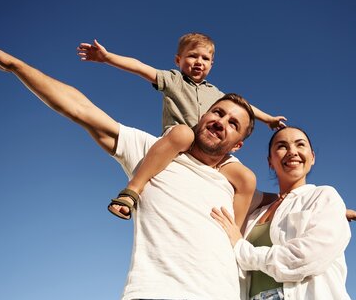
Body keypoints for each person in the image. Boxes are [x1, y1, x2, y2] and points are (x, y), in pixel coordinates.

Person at [0, 36, 256, 300]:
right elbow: (80, 108)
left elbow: (290, 205)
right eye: (218, 112)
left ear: (238, 145)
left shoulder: (236, 186)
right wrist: (16, 66)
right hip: (158, 293)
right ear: (204, 115)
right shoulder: (153, 153)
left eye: (234, 124)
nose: (221, 122)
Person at [77, 33, 286, 226]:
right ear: (178, 60)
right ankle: (133, 189)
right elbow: (140, 67)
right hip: (179, 139)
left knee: (247, 177)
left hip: (210, 147)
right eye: (192, 56)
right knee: (184, 133)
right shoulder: (172, 79)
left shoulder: (215, 93)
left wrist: (268, 119)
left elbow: (246, 108)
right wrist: (107, 57)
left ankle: (234, 233)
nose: (199, 62)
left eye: (205, 59)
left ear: (211, 64)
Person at [211, 126, 353, 300]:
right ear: (270, 161)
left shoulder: (324, 196)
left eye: (300, 145)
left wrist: (242, 248)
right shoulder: (256, 212)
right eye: (282, 146)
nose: (292, 152)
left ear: (312, 157)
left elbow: (303, 259)